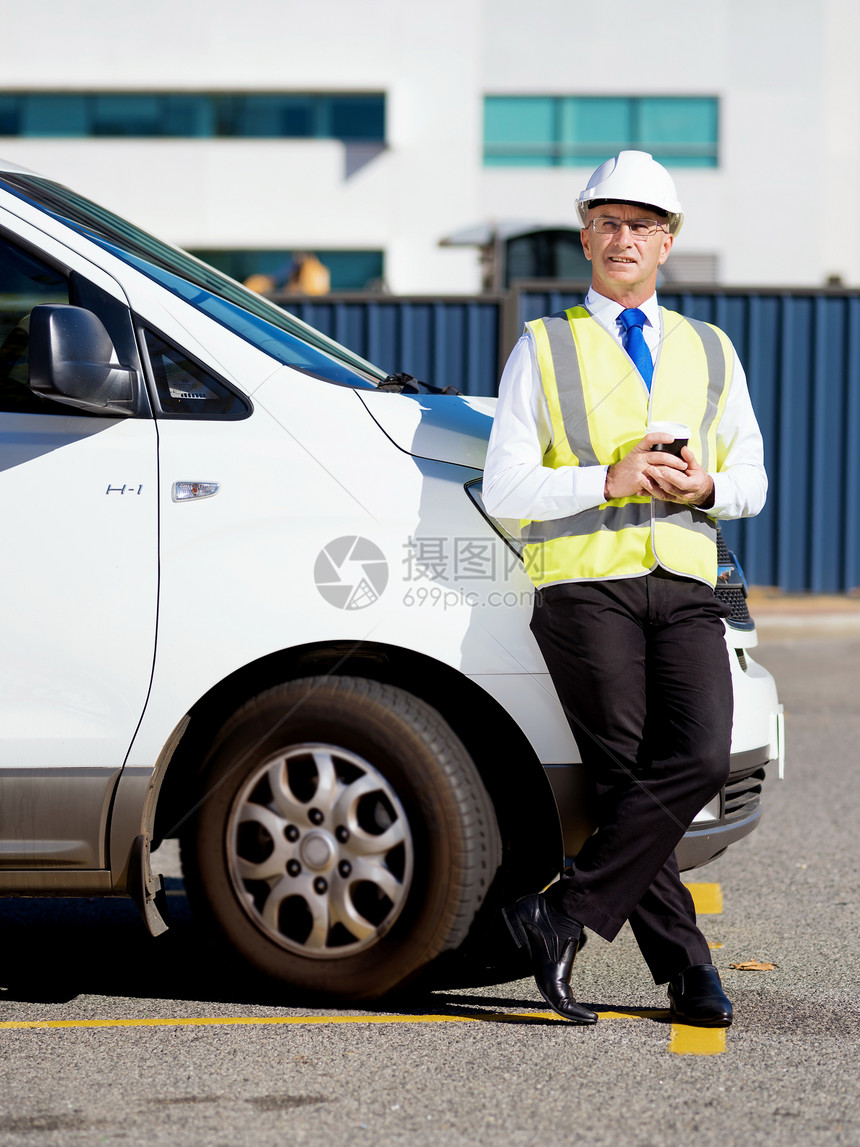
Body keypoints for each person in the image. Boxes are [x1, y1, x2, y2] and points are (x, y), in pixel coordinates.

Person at [482, 150, 767, 1027]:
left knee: (700, 757)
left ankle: (560, 913)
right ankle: (689, 973)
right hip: (585, 586)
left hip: (684, 579)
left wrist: (705, 488)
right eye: (608, 222)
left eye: (642, 225)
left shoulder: (710, 350)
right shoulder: (543, 345)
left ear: (668, 242)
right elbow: (506, 487)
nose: (623, 238)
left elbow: (752, 480)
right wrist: (605, 480)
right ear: (585, 236)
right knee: (623, 780)